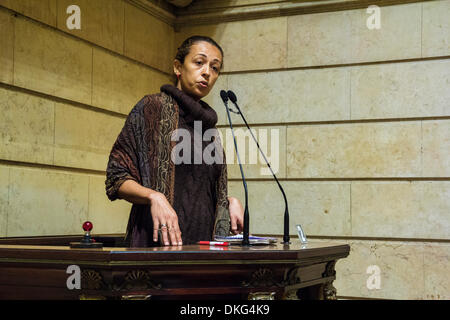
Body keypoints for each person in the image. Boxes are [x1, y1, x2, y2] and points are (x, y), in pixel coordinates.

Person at [105, 35, 244, 247]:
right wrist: (154, 197)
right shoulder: (151, 108)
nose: (207, 72)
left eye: (215, 68)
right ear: (178, 67)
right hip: (156, 246)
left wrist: (228, 202)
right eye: (199, 62)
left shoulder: (209, 129)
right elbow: (116, 177)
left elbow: (201, 190)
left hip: (203, 249)